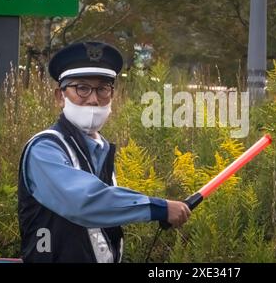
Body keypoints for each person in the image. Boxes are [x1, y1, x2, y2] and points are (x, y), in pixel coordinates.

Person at [18, 41, 191, 263]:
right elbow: (84, 201)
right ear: (59, 97)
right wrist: (159, 208)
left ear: (112, 95)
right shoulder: (44, 149)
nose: (93, 98)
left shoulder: (102, 148)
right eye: (81, 88)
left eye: (102, 88)